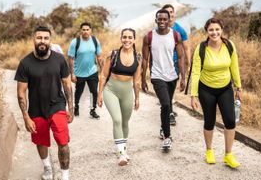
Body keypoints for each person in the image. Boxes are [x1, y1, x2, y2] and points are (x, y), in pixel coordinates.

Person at [15, 26, 73, 180]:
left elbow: (67, 85)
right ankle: (47, 167)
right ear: (33, 39)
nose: (42, 41)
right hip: (36, 110)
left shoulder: (59, 59)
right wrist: (26, 117)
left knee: (63, 142)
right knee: (41, 142)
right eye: (39, 37)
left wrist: (71, 108)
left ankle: (65, 176)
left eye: (46, 38)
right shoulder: (25, 63)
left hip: (57, 107)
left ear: (50, 40)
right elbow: (21, 93)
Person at [190, 18, 242, 168]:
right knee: (209, 121)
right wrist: (193, 95)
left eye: (217, 29)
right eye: (211, 30)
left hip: (225, 88)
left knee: (230, 121)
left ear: (221, 30)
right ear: (207, 32)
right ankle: (209, 151)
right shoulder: (201, 49)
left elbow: (234, 67)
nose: (214, 32)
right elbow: (195, 73)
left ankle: (228, 155)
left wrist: (238, 87)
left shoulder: (229, 46)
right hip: (206, 89)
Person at [141, 9, 185, 150]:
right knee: (165, 104)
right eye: (159, 19)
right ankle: (167, 137)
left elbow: (181, 57)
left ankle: (163, 126)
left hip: (172, 76)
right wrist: (143, 79)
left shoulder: (175, 35)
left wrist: (183, 77)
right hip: (157, 76)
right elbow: (145, 59)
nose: (162, 22)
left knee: (168, 104)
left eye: (164, 19)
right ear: (156, 20)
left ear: (168, 20)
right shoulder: (149, 37)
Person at [97, 28, 142, 166]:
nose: (127, 40)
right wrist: (99, 94)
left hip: (127, 92)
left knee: (125, 122)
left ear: (134, 39)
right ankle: (121, 154)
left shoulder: (138, 57)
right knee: (117, 120)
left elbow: (137, 80)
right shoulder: (113, 54)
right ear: (121, 38)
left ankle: (123, 149)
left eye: (130, 37)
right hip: (111, 90)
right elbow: (104, 75)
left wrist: (137, 97)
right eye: (124, 37)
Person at [161, 4, 191, 126]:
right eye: (167, 12)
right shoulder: (160, 29)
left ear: (174, 14)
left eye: (171, 12)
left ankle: (169, 109)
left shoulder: (180, 29)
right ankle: (170, 112)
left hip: (175, 64)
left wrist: (188, 62)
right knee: (165, 89)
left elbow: (187, 47)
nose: (170, 14)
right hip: (162, 64)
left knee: (171, 89)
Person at [68, 22, 103, 119]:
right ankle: (76, 106)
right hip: (79, 73)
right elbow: (70, 58)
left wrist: (103, 71)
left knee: (94, 92)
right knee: (79, 92)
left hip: (92, 71)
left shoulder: (95, 41)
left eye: (87, 29)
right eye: (83, 30)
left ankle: (93, 110)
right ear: (81, 31)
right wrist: (72, 74)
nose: (85, 31)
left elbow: (99, 57)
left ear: (90, 30)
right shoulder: (75, 42)